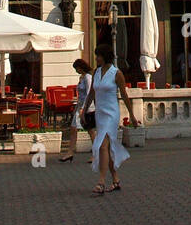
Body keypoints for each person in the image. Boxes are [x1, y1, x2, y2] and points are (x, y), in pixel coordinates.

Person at [81, 43, 138, 195]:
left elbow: (124, 95)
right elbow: (92, 93)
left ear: (105, 56)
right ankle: (116, 179)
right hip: (100, 113)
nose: (96, 58)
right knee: (106, 148)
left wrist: (132, 116)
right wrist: (84, 110)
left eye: (98, 55)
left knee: (102, 146)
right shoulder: (96, 72)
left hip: (112, 114)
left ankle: (101, 182)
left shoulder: (116, 73)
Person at [58, 58, 95, 163]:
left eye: (76, 69)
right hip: (80, 107)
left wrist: (84, 108)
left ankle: (96, 154)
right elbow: (80, 95)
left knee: (90, 130)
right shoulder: (82, 77)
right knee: (73, 129)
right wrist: (77, 108)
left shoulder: (88, 77)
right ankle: (70, 152)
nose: (76, 71)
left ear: (81, 67)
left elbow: (89, 93)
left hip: (87, 108)